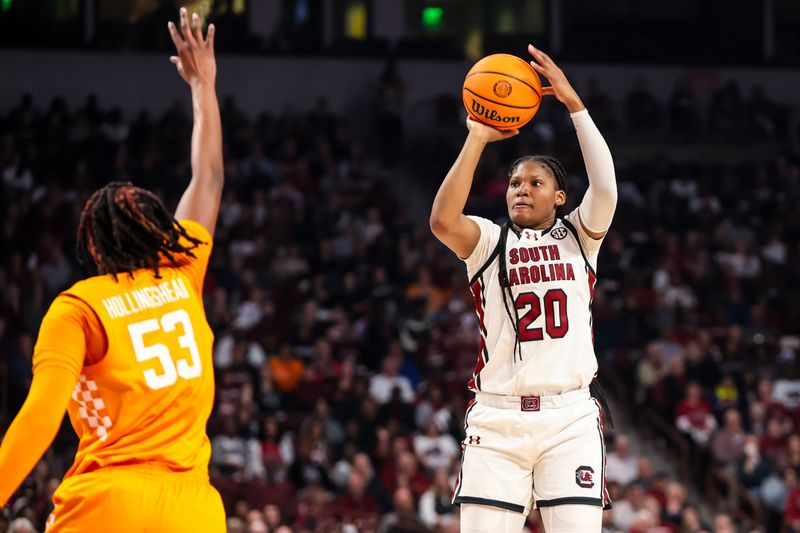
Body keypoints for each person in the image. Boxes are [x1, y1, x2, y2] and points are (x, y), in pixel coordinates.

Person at [0, 8, 225, 532]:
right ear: (158, 234)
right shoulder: (182, 271)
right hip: (196, 511)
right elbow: (209, 177)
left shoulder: (79, 306)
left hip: (109, 504)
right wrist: (204, 85)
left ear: (94, 249)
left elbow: (40, 417)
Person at [430, 44, 617, 532]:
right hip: (496, 421)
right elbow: (442, 221)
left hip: (569, 418)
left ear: (559, 196)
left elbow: (607, 190)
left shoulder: (580, 236)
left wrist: (576, 106)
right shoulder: (490, 241)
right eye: (514, 182)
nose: (521, 188)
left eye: (535, 182)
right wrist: (476, 138)